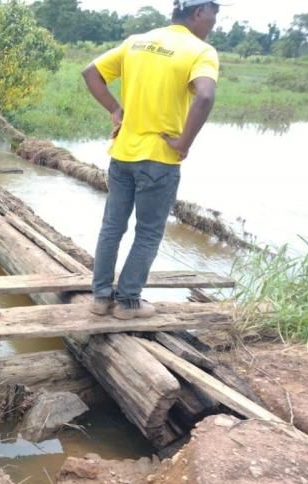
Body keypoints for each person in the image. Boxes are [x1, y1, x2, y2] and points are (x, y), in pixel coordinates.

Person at [82, 0, 221, 320]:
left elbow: (91, 73)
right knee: (147, 233)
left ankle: (101, 298)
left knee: (112, 227)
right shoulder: (200, 51)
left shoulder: (137, 41)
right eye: (214, 13)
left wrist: (115, 110)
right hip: (160, 159)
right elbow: (205, 95)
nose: (214, 22)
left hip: (122, 154)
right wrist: (184, 143)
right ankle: (128, 302)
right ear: (199, 12)